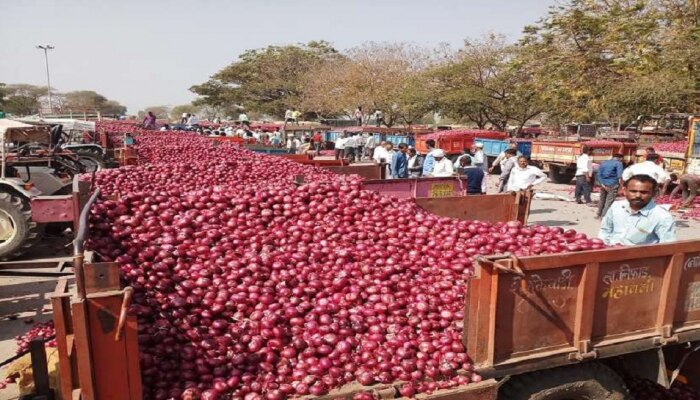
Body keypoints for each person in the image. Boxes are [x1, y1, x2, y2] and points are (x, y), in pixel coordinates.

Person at [598, 174, 676, 245]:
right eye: (633, 191)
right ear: (625, 191)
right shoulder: (617, 207)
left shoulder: (662, 216)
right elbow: (605, 230)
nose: (638, 195)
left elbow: (667, 245)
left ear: (653, 193)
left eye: (644, 192)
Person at [596, 153, 624, 219]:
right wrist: (621, 186)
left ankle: (599, 214)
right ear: (620, 158)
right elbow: (620, 176)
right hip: (613, 184)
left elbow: (599, 174)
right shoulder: (619, 163)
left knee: (602, 199)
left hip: (603, 184)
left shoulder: (604, 163)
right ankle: (604, 216)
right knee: (609, 201)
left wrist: (602, 184)